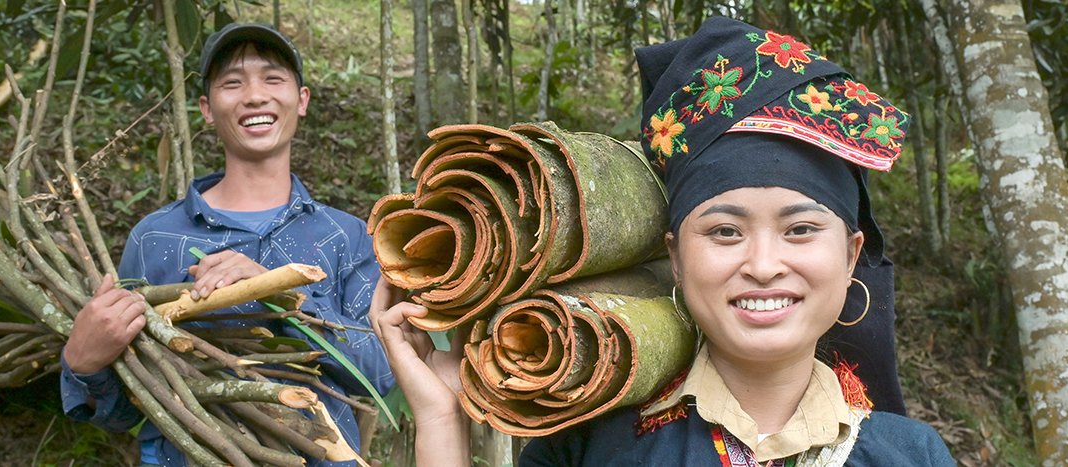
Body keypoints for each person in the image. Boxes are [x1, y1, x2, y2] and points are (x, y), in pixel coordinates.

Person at [370, 16, 954, 466]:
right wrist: (441, 416)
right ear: (675, 256)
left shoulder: (910, 454)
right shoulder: (591, 445)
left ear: (851, 255)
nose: (764, 264)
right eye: (725, 231)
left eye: (800, 229)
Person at [59, 23, 394, 467]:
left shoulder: (347, 236)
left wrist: (285, 296)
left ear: (303, 99)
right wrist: (83, 365)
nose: (255, 95)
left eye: (273, 79)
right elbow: (127, 408)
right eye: (232, 82)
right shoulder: (158, 238)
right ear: (207, 109)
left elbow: (378, 376)